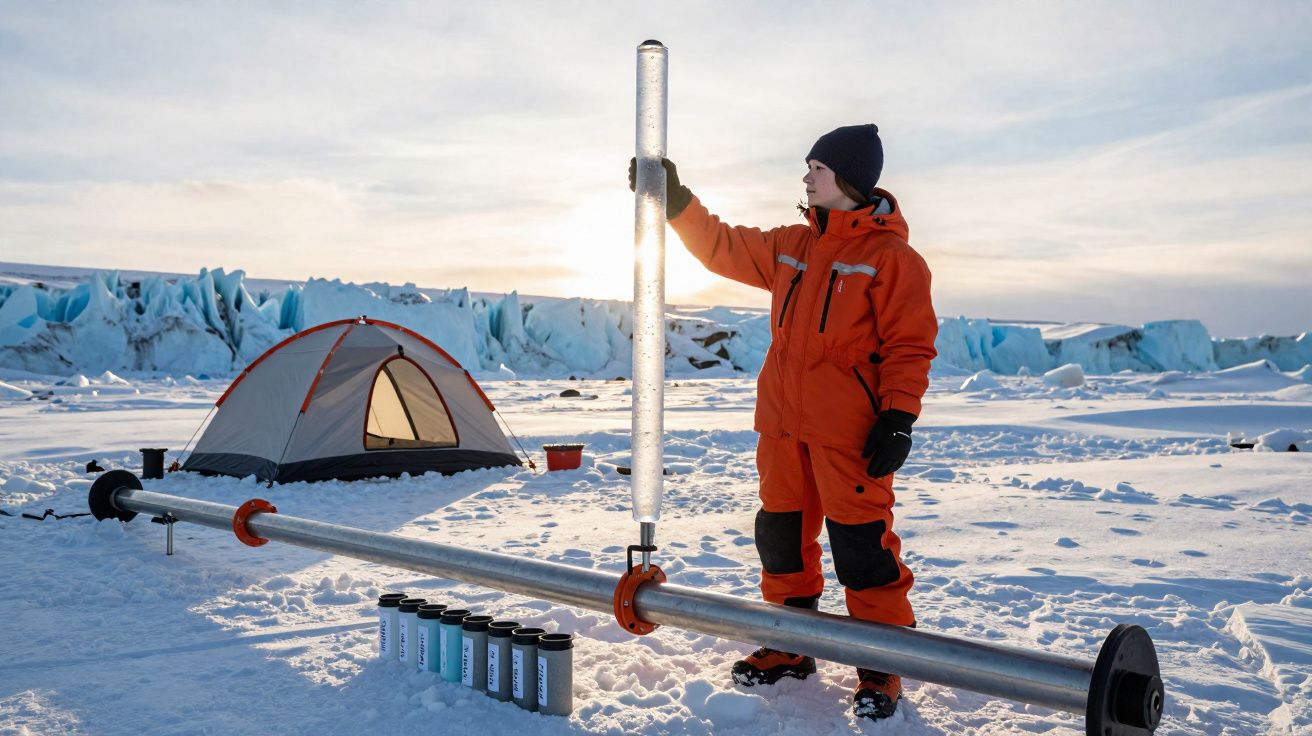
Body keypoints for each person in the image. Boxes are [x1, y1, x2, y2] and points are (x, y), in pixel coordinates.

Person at [628, 124, 937, 721]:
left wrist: (899, 416)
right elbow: (721, 245)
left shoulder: (893, 260)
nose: (806, 177)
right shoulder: (791, 246)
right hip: (782, 427)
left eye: (816, 167)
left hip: (848, 432)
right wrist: (677, 199)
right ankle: (792, 644)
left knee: (861, 547)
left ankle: (881, 662)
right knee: (780, 536)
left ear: (848, 178)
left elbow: (910, 346)